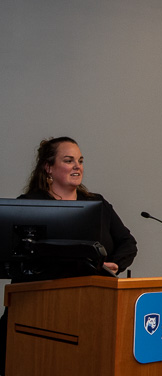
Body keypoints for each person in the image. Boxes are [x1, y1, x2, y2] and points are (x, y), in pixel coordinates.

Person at [0, 136, 138, 374]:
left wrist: (114, 264)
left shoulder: (97, 204)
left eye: (80, 160)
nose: (78, 166)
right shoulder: (30, 204)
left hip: (87, 307)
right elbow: (17, 254)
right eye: (68, 160)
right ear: (48, 167)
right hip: (34, 307)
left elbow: (128, 243)